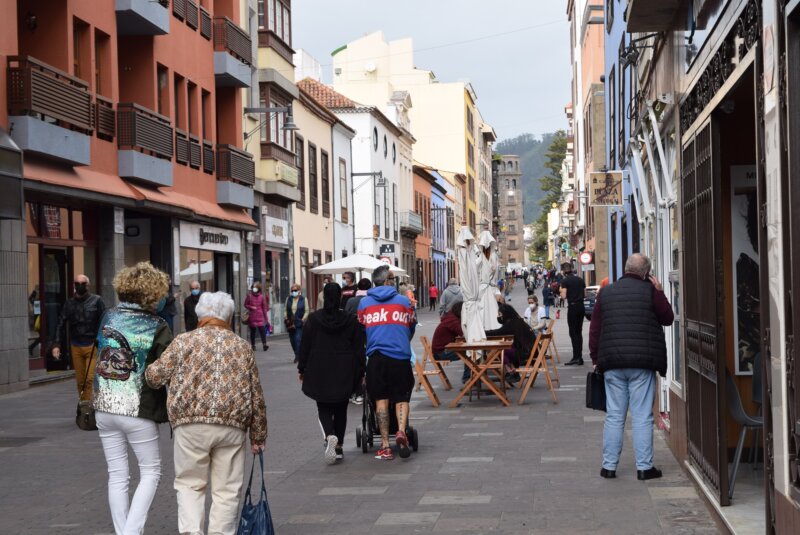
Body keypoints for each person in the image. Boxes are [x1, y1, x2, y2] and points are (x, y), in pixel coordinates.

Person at [145, 291, 267, 534]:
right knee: (227, 489)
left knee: (190, 485)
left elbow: (154, 377)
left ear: (200, 315)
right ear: (229, 317)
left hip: (190, 425)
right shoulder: (242, 347)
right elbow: (256, 394)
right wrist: (258, 435)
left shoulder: (183, 342)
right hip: (231, 426)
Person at [93, 262, 172, 535]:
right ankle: (130, 532)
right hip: (139, 408)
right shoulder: (157, 325)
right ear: (152, 293)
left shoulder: (108, 317)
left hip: (104, 405)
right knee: (150, 472)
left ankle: (122, 531)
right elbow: (168, 368)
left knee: (117, 475)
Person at [589, 254, 673, 481]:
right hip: (642, 363)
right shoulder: (650, 292)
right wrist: (659, 291)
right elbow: (668, 318)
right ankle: (645, 468)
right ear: (646, 273)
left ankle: (609, 467)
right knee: (642, 416)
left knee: (615, 415)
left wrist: (595, 358)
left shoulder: (605, 293)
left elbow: (595, 328)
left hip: (612, 362)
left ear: (625, 269)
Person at [298, 283, 366, 464]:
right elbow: (359, 347)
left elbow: (304, 346)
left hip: (319, 366)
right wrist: (361, 369)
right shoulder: (350, 320)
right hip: (344, 368)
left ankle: (329, 436)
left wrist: (302, 368)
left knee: (324, 407)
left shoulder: (313, 319)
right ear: (340, 297)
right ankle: (339, 447)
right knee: (341, 408)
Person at [357, 265, 416, 461]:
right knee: (401, 397)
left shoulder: (364, 304)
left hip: (376, 357)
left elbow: (361, 330)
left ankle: (384, 445)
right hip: (400, 356)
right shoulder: (404, 302)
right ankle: (400, 431)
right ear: (389, 282)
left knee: (380, 399)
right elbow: (411, 325)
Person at [52, 274, 106, 401]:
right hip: (76, 345)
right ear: (74, 286)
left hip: (92, 345)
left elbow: (104, 322)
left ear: (88, 285)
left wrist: (103, 342)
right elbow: (60, 324)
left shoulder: (97, 301)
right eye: (77, 283)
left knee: (90, 379)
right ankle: (84, 406)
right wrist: (56, 345)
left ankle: (87, 407)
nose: (80, 286)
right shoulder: (69, 304)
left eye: (83, 283)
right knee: (80, 381)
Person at [485, 303, 535, 383]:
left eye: (500, 314)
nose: (499, 316)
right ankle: (512, 372)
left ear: (505, 314)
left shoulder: (511, 324)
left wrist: (483, 333)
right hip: (531, 350)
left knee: (499, 350)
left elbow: (498, 333)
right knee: (503, 349)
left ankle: (510, 372)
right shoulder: (518, 321)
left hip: (525, 353)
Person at [431, 301, 470, 383]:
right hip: (441, 353)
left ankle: (471, 378)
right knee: (469, 353)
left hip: (440, 350)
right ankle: (468, 379)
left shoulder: (450, 317)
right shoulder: (453, 321)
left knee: (469, 352)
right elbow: (464, 333)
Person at [561, 263, 587, 366]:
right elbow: (585, 294)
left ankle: (576, 357)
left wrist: (560, 292)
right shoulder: (580, 280)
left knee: (573, 333)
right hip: (581, 307)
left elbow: (563, 296)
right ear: (572, 269)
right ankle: (579, 357)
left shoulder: (565, 281)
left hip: (572, 307)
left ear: (564, 271)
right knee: (579, 332)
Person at [286, 283, 309, 363]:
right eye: (292, 290)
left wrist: (303, 319)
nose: (293, 292)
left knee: (298, 339)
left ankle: (297, 356)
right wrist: (285, 316)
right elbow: (286, 310)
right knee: (292, 341)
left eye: (295, 290)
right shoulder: (288, 299)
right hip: (290, 323)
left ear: (299, 291)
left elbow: (307, 311)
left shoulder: (304, 299)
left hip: (299, 323)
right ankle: (296, 353)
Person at [244, 281, 269, 351]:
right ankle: (253, 345)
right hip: (252, 316)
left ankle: (264, 344)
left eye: (256, 288)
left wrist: (266, 319)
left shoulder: (261, 297)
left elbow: (264, 308)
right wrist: (251, 307)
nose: (254, 289)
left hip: (260, 316)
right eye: (253, 287)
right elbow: (245, 304)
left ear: (258, 289)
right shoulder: (249, 296)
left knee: (262, 330)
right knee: (253, 331)